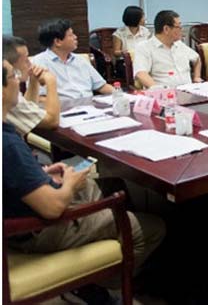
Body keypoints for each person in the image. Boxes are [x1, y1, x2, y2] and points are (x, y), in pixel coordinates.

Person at [2, 59, 166, 302]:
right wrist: (70, 184)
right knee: (153, 227)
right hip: (35, 231)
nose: (19, 80)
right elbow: (52, 208)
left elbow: (14, 177)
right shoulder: (7, 144)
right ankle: (96, 286)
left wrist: (42, 173)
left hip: (22, 212)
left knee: (110, 183)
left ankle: (108, 230)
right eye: (13, 76)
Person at [32, 19, 114, 100]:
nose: (75, 37)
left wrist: (119, 95)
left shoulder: (81, 60)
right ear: (57, 42)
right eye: (71, 35)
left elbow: (101, 86)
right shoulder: (39, 63)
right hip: (63, 107)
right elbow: (38, 98)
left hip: (89, 105)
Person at [2, 36, 59, 137]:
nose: (30, 63)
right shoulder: (5, 93)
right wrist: (51, 81)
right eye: (26, 59)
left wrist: (33, 80)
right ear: (8, 64)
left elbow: (29, 109)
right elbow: (52, 121)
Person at [134, 10, 202, 88]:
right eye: (178, 27)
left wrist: (197, 77)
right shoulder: (145, 47)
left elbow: (197, 59)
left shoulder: (179, 44)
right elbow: (141, 73)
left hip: (189, 90)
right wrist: (158, 89)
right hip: (165, 93)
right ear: (166, 29)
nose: (181, 29)